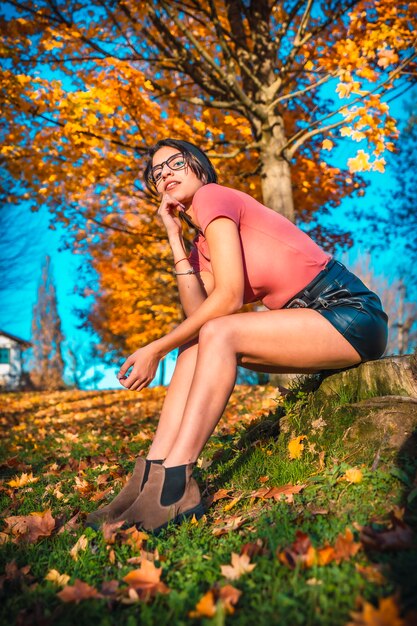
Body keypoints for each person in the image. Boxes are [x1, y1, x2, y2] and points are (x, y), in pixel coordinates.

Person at [86, 138, 388, 532]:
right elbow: (198, 316)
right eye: (156, 173)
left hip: (348, 312)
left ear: (198, 166)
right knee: (197, 342)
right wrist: (175, 239)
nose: (165, 175)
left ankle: (177, 481)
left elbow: (227, 300)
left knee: (219, 332)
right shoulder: (200, 242)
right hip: (305, 323)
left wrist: (156, 348)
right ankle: (151, 474)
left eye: (175, 163)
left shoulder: (214, 197)